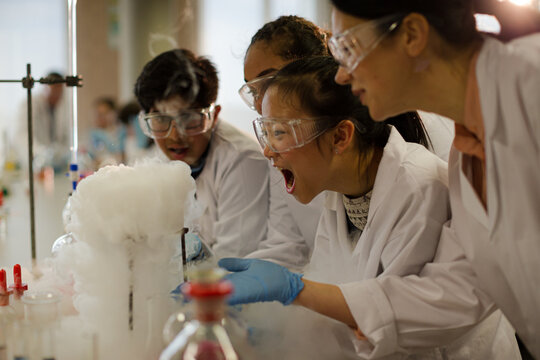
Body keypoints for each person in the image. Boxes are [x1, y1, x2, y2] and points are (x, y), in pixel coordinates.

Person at [219, 56, 519, 359]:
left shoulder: (417, 185)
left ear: (340, 136)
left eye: (280, 133)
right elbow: (330, 291)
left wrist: (294, 291)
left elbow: (392, 327)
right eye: (266, 133)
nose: (268, 151)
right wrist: (273, 333)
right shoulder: (342, 191)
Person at [328, 0, 540, 357]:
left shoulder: (530, 82)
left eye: (347, 48)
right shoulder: (466, 156)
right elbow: (461, 287)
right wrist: (297, 292)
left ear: (412, 34)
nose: (341, 74)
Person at [241, 16, 454, 270]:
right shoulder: (338, 193)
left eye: (268, 82)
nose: (258, 102)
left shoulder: (420, 175)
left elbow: (399, 298)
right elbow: (316, 264)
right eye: (253, 91)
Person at [134, 49, 269, 257]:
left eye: (188, 119)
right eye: (161, 120)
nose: (175, 137)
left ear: (214, 116)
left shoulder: (242, 161)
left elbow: (233, 262)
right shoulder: (157, 159)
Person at [15, 71, 70, 172]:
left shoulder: (62, 106)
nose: (56, 96)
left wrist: (60, 153)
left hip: (54, 165)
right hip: (34, 162)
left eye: (59, 93)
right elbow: (23, 134)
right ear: (45, 88)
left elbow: (65, 136)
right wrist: (40, 153)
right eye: (54, 92)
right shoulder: (30, 103)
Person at [88, 97, 126, 168]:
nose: (100, 117)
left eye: (104, 114)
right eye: (98, 114)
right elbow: (91, 159)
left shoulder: (122, 132)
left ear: (113, 113)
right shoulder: (94, 134)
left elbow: (123, 156)